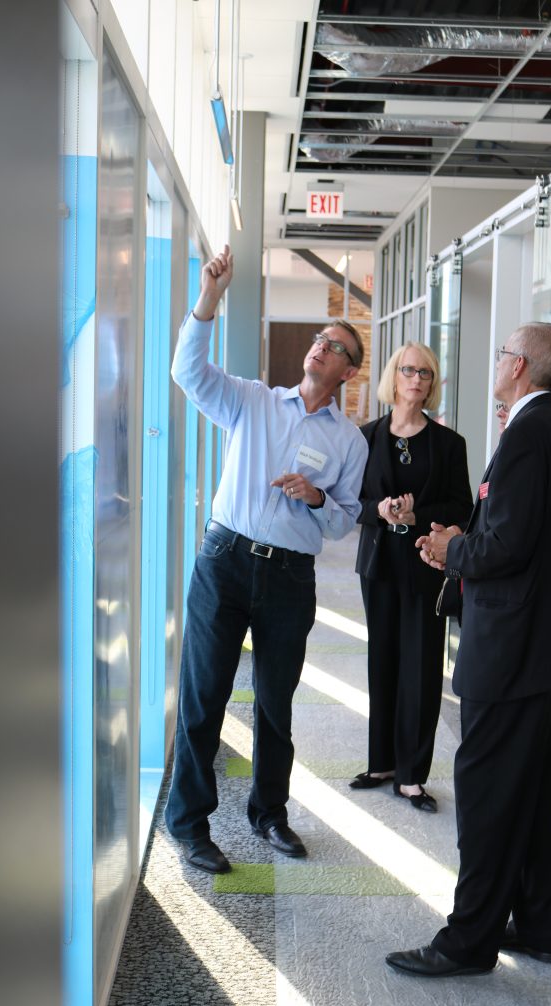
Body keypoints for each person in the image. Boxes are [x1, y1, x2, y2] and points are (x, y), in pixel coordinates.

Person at [387, 322, 551, 977]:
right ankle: (535, 926)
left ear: (522, 369)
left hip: (509, 647)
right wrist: (464, 538)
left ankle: (466, 942)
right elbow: (522, 535)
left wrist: (454, 549)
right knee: (527, 794)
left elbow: (507, 549)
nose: (497, 358)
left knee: (482, 794)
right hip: (535, 642)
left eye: (504, 351)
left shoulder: (532, 434)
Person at [164, 244, 369, 874]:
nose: (319, 348)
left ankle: (268, 815)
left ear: (348, 372)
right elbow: (188, 374)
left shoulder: (347, 441)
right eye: (318, 339)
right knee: (204, 698)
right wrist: (209, 300)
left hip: (288, 578)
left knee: (275, 705)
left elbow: (344, 519)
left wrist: (315, 498)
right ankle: (191, 825)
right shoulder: (252, 401)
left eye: (334, 346)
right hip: (224, 562)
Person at [350, 345, 472, 812]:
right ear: (393, 378)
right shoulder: (365, 438)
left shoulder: (449, 444)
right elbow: (351, 501)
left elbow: (462, 506)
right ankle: (381, 762)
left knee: (420, 667)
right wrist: (378, 510)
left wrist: (419, 514)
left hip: (426, 566)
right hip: (379, 565)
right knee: (382, 660)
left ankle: (411, 775)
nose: (417, 378)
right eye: (408, 370)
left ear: (431, 382)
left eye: (426, 372)